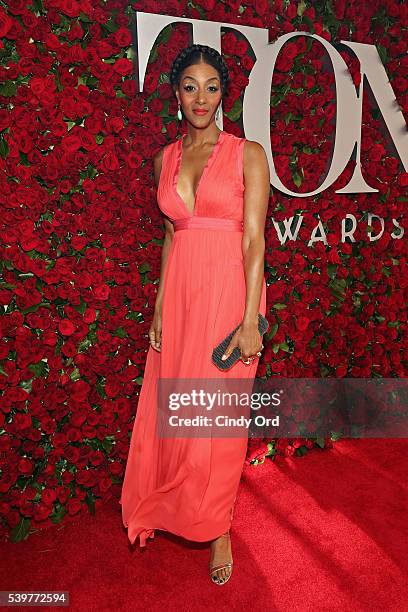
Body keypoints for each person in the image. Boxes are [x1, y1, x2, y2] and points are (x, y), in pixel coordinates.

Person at [120, 44, 270, 585]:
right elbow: (169, 235)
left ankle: (218, 527)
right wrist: (159, 307)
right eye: (190, 86)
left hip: (230, 294)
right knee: (182, 414)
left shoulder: (247, 153)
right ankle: (181, 504)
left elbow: (254, 242)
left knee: (219, 424)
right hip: (181, 297)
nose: (200, 97)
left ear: (223, 92)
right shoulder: (165, 158)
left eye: (210, 86)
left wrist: (251, 319)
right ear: (177, 94)